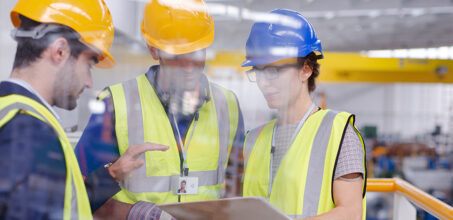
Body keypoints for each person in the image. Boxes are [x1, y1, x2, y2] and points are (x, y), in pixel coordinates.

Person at [75, 0, 244, 218]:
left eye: (197, 51)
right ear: (154, 50)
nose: (189, 65)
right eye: (177, 55)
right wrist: (137, 214)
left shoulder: (227, 105)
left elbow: (237, 186)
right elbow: (79, 194)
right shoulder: (115, 103)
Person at [0, 0, 168, 219]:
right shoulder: (29, 131)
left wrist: (112, 174)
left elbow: (61, 205)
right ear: (59, 51)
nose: (89, 81)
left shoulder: (12, 111)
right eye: (89, 64)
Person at [241, 9, 367, 219]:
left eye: (273, 71)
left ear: (306, 69)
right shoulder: (253, 138)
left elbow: (351, 213)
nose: (263, 82)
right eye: (258, 71)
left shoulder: (338, 133)